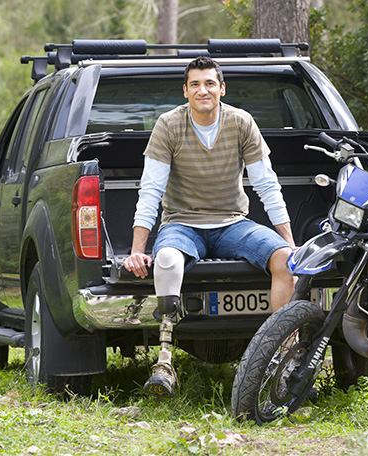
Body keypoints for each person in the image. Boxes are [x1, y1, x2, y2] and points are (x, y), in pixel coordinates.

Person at [123, 56, 296, 398]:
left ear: (222, 88)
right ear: (185, 91)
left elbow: (267, 185)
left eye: (210, 83)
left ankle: (284, 360)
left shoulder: (241, 122)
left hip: (233, 223)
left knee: (286, 260)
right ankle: (164, 362)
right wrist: (137, 250)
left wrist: (290, 243)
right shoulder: (169, 125)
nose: (204, 90)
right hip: (181, 224)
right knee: (169, 260)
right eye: (196, 84)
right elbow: (151, 189)